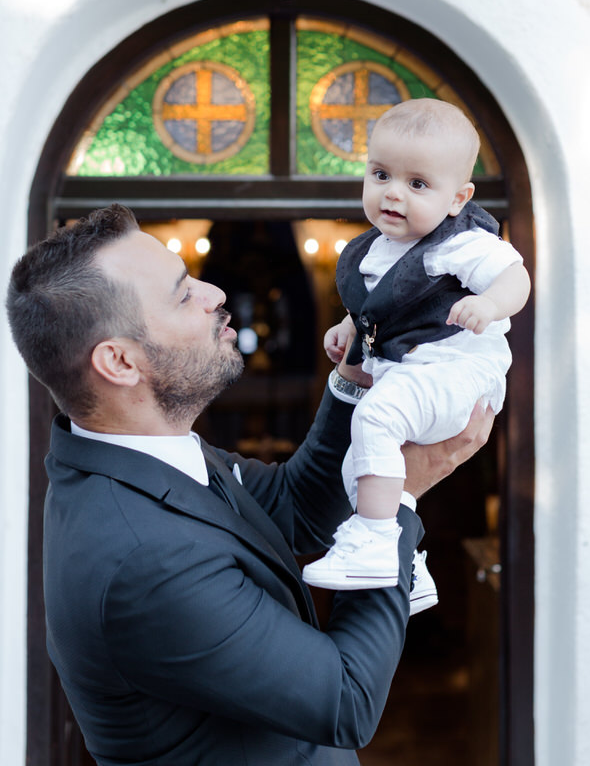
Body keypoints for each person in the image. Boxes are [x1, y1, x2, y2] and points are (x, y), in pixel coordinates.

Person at [6, 203, 493, 766]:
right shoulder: (143, 561)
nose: (214, 293)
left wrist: (358, 373)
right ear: (119, 361)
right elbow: (346, 701)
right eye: (182, 294)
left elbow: (298, 507)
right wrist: (395, 501)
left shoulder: (145, 454)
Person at [302, 98, 530, 606]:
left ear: (457, 199)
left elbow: (516, 278)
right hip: (412, 378)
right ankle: (405, 560)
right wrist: (348, 327)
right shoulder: (374, 250)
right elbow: (380, 307)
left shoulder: (460, 243)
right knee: (357, 466)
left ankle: (374, 547)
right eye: (381, 174)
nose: (393, 193)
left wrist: (489, 304)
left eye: (418, 184)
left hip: (457, 372)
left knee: (376, 417)